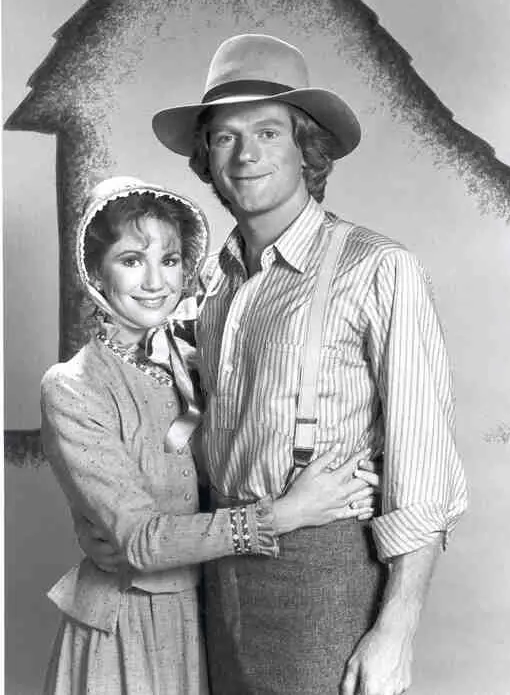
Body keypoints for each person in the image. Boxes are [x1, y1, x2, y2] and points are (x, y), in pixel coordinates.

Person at [41, 176, 380, 695]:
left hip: (208, 618)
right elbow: (140, 542)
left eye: (170, 260)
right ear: (96, 272)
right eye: (132, 260)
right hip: (124, 628)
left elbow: (248, 453)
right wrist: (288, 513)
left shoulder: (198, 364)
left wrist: (359, 472)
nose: (155, 281)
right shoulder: (74, 386)